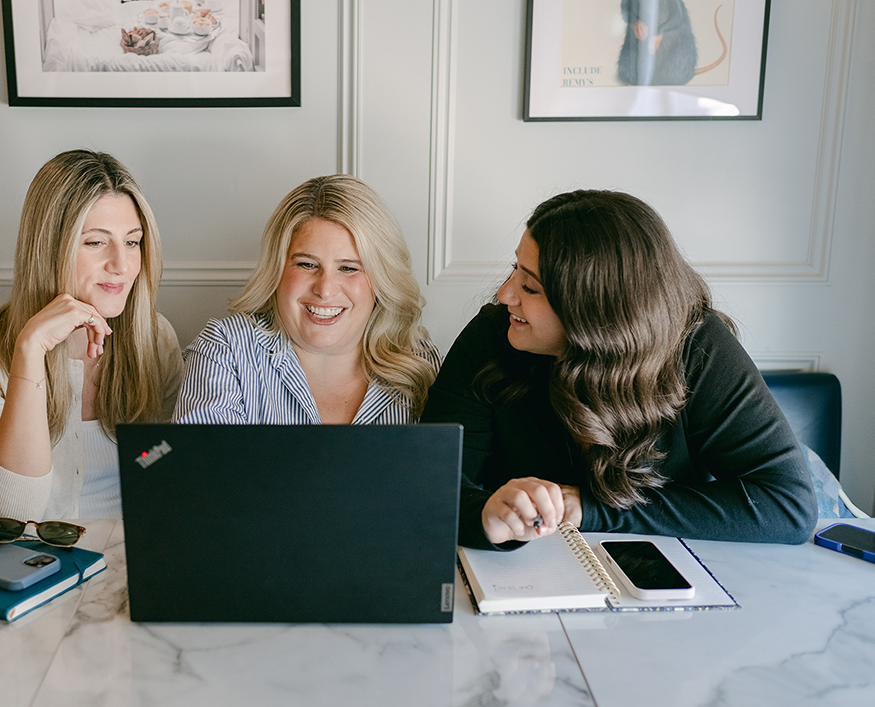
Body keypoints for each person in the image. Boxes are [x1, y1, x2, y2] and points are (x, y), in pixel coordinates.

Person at [421, 190, 817, 549]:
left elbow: (787, 504)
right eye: (515, 271)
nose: (505, 294)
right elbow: (431, 482)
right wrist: (486, 516)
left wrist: (588, 509)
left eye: (531, 287)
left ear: (596, 312)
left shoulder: (697, 347)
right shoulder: (493, 338)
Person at [0, 150, 182, 521]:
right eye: (95, 242)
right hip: (28, 562)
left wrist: (139, 462)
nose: (122, 264)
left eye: (132, 242)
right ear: (49, 248)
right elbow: (4, 515)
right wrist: (30, 352)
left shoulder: (154, 336)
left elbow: (166, 451)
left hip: (132, 554)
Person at [174, 174, 440, 425]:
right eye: (306, 264)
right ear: (276, 270)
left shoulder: (421, 363)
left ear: (382, 280)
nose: (325, 289)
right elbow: (201, 469)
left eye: (348, 268)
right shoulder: (226, 351)